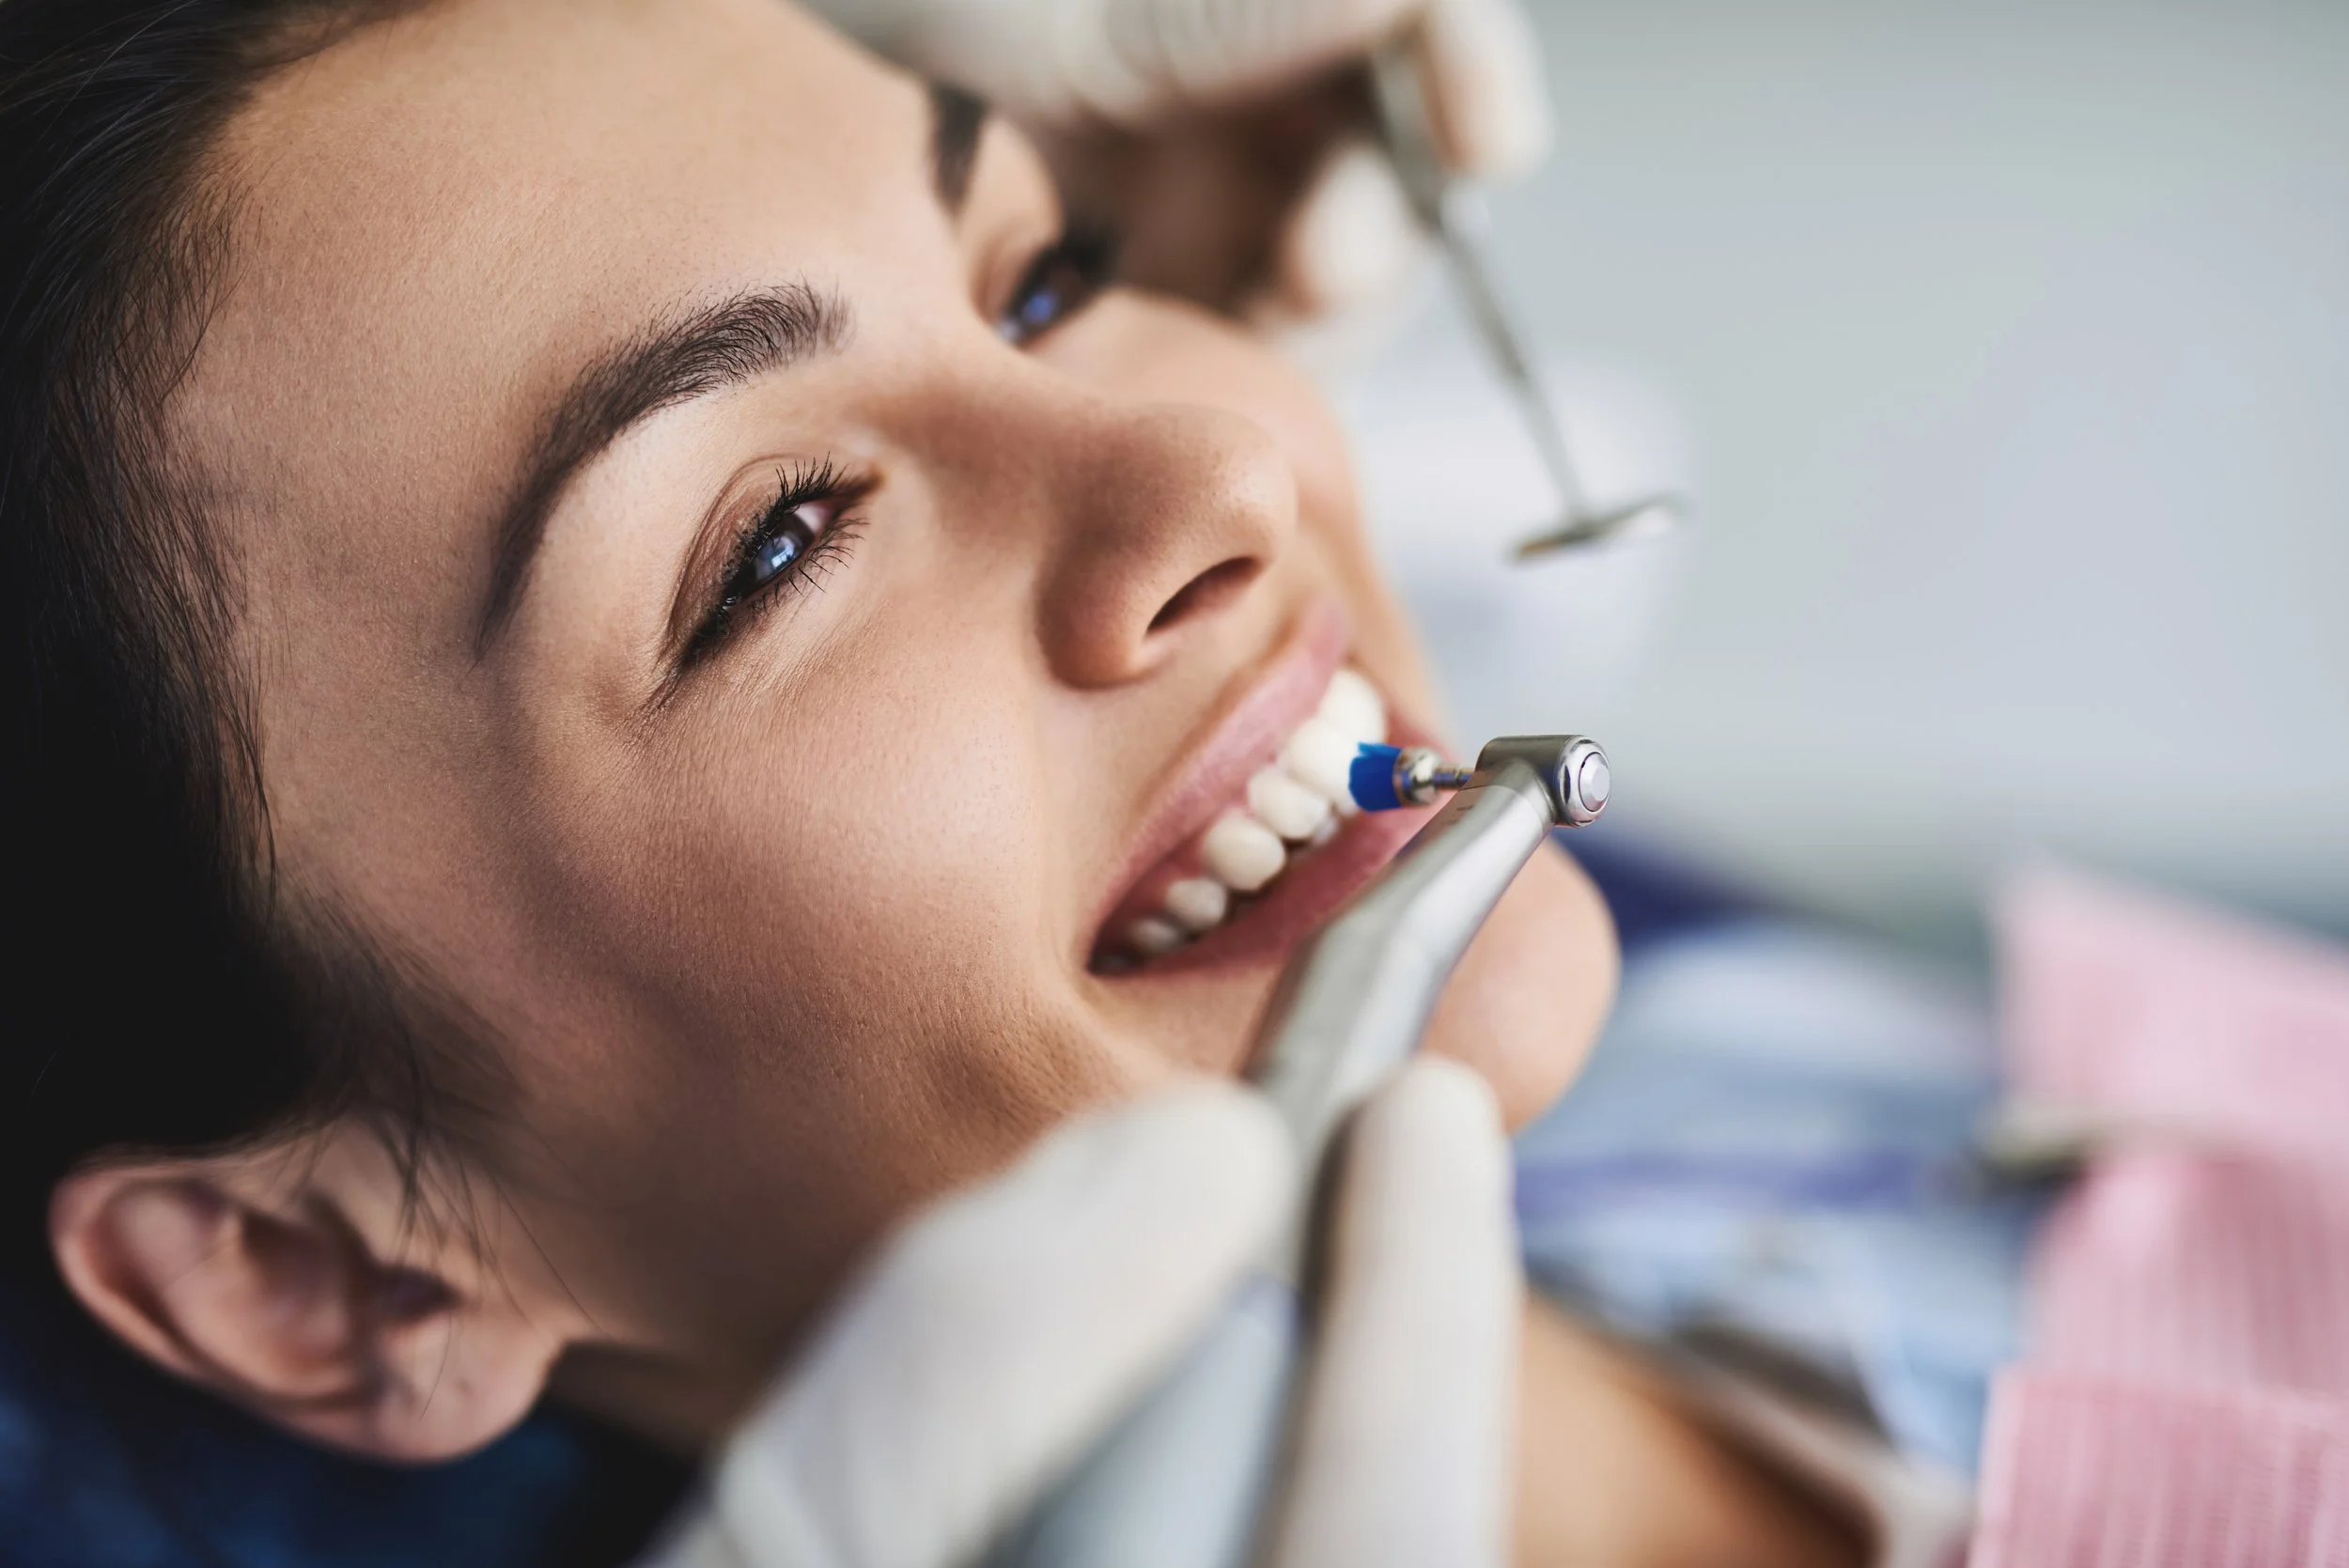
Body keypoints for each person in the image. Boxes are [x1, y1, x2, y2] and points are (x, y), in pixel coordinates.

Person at [1, 1, 1860, 1562]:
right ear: (310, 1273)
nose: (1217, 468)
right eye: (777, 551)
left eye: (1043, 282)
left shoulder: (1813, 1050)